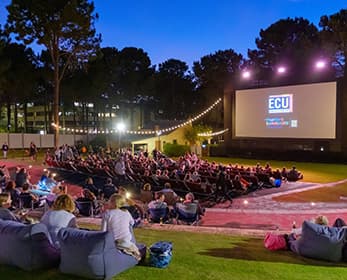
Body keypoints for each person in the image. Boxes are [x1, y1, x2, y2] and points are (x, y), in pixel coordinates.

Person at [101, 194, 141, 261]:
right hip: (127, 239)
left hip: (114, 241)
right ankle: (127, 247)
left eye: (109, 201)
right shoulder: (126, 212)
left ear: (113, 203)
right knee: (129, 226)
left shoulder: (107, 213)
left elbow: (103, 232)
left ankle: (122, 248)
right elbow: (132, 223)